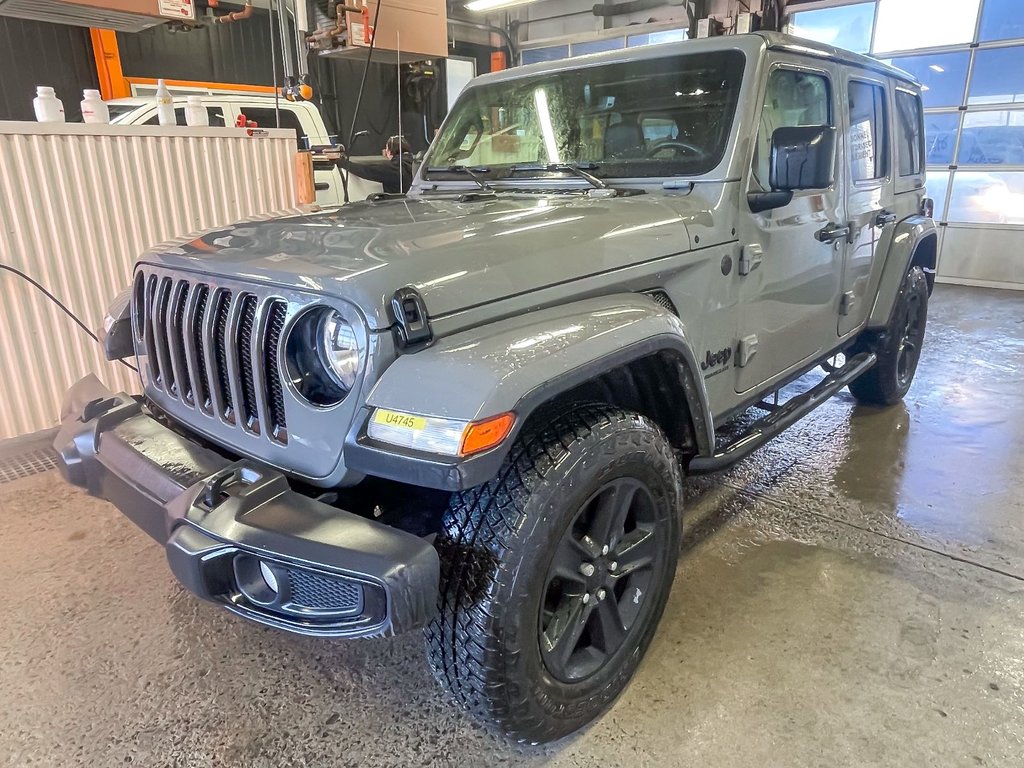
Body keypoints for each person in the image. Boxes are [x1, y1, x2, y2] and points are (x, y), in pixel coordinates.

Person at [337, 135, 414, 194]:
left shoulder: (394, 168)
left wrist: (342, 162)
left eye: (386, 148)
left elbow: (367, 171)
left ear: (390, 151)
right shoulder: (413, 164)